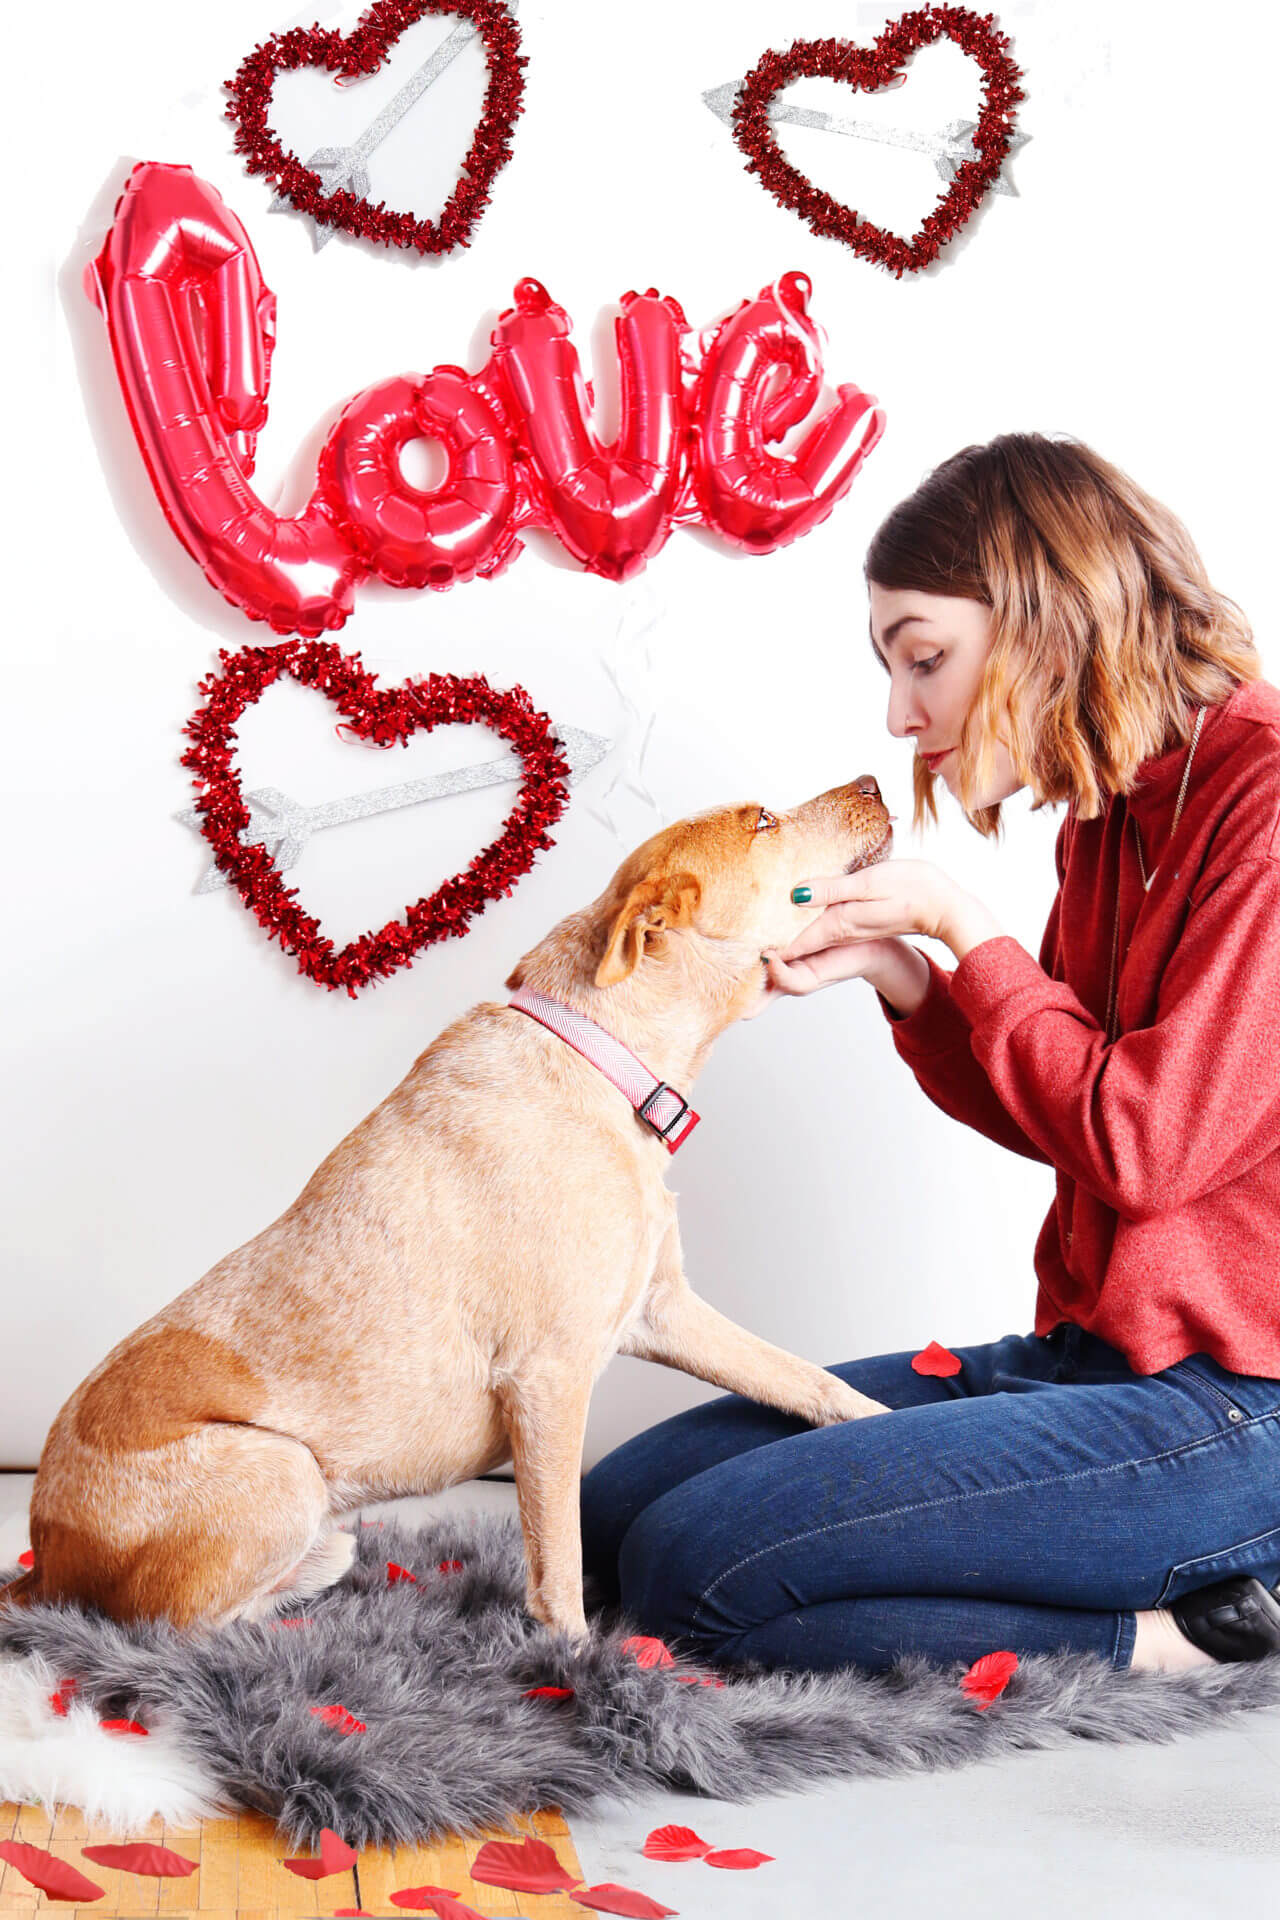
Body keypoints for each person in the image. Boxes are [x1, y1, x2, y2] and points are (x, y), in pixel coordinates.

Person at [578, 433, 1280, 1676]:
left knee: (696, 1573)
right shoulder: (1115, 815)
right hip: (1086, 1365)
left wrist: (966, 925)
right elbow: (1062, 1113)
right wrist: (908, 977)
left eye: (925, 659)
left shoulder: (1265, 806)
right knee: (612, 1514)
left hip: (1234, 1410)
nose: (902, 715)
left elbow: (1147, 1145)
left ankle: (1186, 1641)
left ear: (1049, 620)